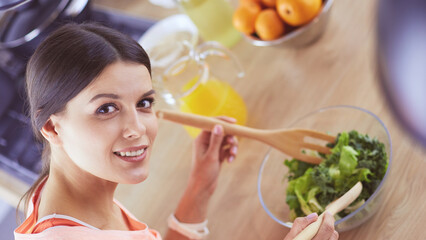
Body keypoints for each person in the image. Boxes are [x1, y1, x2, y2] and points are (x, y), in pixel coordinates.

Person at [14, 23, 338, 240]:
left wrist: (200, 187)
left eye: (143, 102)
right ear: (52, 126)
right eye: (106, 109)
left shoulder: (64, 197)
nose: (138, 128)